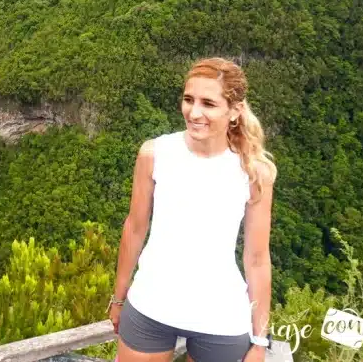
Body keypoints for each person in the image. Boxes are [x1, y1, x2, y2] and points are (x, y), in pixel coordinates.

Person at [107, 57, 277, 362]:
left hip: (220, 315)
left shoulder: (254, 172)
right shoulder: (155, 154)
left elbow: (256, 258)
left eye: (208, 104)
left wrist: (260, 339)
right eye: (188, 100)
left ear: (235, 111)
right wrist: (118, 298)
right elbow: (134, 227)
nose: (194, 112)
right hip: (150, 303)